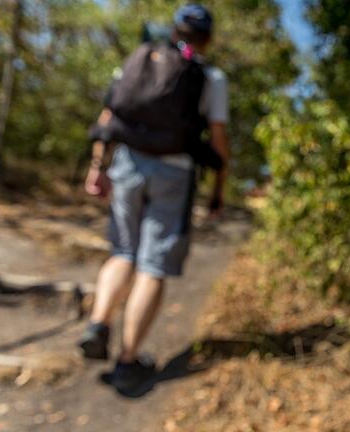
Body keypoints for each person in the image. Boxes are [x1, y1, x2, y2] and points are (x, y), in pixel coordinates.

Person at [77, 4, 229, 392]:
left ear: (174, 29)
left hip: (127, 162)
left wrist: (98, 167)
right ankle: (128, 362)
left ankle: (99, 322)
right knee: (152, 264)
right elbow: (217, 141)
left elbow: (109, 115)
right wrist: (218, 190)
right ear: (207, 38)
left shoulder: (142, 58)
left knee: (123, 252)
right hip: (174, 173)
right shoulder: (210, 77)